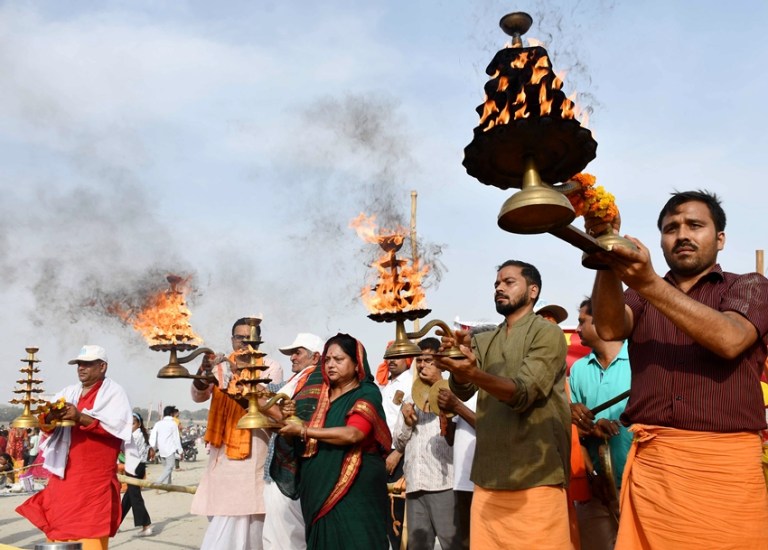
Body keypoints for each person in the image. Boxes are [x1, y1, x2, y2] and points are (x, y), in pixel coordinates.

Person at [590, 190, 768, 548]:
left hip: (725, 473)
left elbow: (730, 338)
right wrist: (605, 251)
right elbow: (609, 328)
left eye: (695, 225)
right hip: (652, 473)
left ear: (720, 239)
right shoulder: (639, 296)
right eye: (671, 228)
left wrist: (649, 282)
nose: (682, 234)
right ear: (661, 240)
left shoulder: (748, 284)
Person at [437, 260, 571, 549]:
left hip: (536, 475)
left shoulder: (547, 333)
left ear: (532, 291)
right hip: (488, 477)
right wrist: (458, 368)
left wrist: (472, 372)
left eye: (509, 282)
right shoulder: (484, 340)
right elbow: (462, 390)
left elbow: (524, 393)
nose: (499, 287)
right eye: (497, 283)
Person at [278, 333, 391, 550]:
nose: (331, 365)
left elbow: (354, 434)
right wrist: (289, 423)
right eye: (327, 360)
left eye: (339, 360)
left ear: (356, 363)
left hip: (355, 490)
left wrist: (304, 430)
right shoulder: (316, 395)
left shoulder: (366, 392)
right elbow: (295, 438)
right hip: (315, 488)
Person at [16, 345, 134, 550]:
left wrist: (79, 417)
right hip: (63, 479)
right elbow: (47, 428)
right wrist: (49, 417)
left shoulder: (114, 393)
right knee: (59, 528)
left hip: (93, 482)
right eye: (79, 364)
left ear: (103, 366)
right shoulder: (68, 393)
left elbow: (117, 429)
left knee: (89, 533)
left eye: (87, 364)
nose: (81, 368)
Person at [190, 317, 283, 550]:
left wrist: (234, 372)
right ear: (232, 339)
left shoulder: (270, 366)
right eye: (238, 337)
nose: (243, 342)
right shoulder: (219, 364)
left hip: (253, 449)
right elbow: (198, 395)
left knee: (249, 520)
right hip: (222, 449)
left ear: (258, 341)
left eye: (248, 338)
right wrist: (204, 370)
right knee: (222, 514)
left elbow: (262, 401)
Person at [569, 297, 632, 550]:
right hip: (596, 493)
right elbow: (574, 431)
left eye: (582, 321)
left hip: (640, 486)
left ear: (604, 321)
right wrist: (592, 476)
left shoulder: (642, 363)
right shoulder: (578, 370)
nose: (577, 329)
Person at [392, 337, 461, 550]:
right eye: (420, 360)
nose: (423, 365)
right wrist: (406, 421)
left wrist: (438, 385)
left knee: (453, 544)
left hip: (444, 483)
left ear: (440, 363)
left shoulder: (454, 391)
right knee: (418, 546)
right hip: (415, 483)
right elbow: (398, 441)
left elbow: (457, 436)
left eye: (429, 360)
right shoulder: (411, 396)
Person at [263, 332, 324, 550]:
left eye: (297, 353)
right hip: (278, 462)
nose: (292, 358)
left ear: (315, 357)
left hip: (293, 466)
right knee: (277, 533)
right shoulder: (296, 380)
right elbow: (270, 392)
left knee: (288, 535)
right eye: (291, 354)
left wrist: (258, 396)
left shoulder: (315, 382)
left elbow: (285, 414)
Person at [376, 354, 413, 550]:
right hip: (382, 451)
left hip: (399, 452)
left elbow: (411, 423)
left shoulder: (410, 382)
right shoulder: (387, 385)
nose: (392, 361)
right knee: (388, 515)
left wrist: (397, 452)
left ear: (407, 359)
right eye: (389, 357)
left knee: (399, 513)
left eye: (398, 357)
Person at [120, 412, 154, 537]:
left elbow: (123, 448)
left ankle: (146, 525)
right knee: (128, 498)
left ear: (139, 424)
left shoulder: (134, 436)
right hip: (138, 467)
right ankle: (115, 523)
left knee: (135, 497)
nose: (130, 426)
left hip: (134, 467)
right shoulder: (140, 435)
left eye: (133, 423)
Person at [149, 405, 183, 486]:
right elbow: (176, 438)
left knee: (166, 468)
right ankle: (158, 483)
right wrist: (180, 451)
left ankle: (168, 485)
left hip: (161, 450)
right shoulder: (173, 424)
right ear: (171, 414)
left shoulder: (158, 423)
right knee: (169, 467)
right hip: (170, 449)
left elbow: (153, 436)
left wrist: (153, 447)